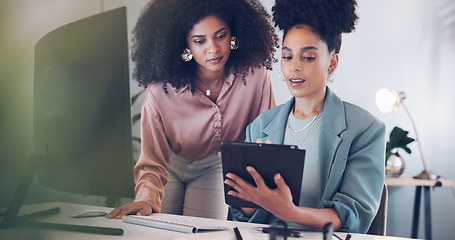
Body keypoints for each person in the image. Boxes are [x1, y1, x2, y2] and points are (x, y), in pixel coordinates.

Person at [106, 0, 279, 220]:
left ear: (233, 34)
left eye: (220, 36)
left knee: (205, 233)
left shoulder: (255, 77)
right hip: (169, 165)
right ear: (185, 44)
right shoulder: (160, 92)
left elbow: (265, 142)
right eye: (200, 41)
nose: (213, 49)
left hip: (216, 165)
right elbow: (152, 162)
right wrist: (146, 198)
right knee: (157, 229)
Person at [224, 0, 386, 233]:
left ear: (332, 62)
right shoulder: (261, 126)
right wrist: (250, 194)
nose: (294, 67)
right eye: (287, 57)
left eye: (307, 57)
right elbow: (246, 214)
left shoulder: (365, 129)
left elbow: (352, 215)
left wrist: (289, 211)